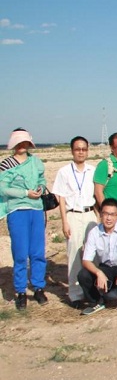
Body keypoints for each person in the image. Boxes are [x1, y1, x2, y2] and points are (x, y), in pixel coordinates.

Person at [0, 129, 48, 310]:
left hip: (36, 209)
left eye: (24, 142)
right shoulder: (6, 164)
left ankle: (38, 287)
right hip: (17, 210)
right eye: (18, 142)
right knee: (20, 253)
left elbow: (42, 180)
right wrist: (25, 192)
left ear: (29, 143)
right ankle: (20, 291)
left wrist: (40, 188)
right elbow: (3, 188)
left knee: (37, 252)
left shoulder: (36, 162)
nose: (21, 145)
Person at [52, 136, 98, 308]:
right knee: (74, 255)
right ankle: (75, 294)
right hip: (72, 214)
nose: (81, 152)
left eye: (84, 149)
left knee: (93, 253)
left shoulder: (92, 170)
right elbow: (61, 198)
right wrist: (64, 222)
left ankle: (93, 290)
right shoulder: (64, 172)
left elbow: (96, 195)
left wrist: (98, 218)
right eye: (78, 149)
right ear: (72, 151)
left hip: (90, 214)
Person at [78, 198, 117, 315]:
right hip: (106, 267)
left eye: (112, 214)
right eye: (106, 214)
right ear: (101, 214)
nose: (108, 218)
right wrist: (99, 273)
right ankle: (96, 302)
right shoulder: (94, 232)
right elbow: (86, 260)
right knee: (83, 275)